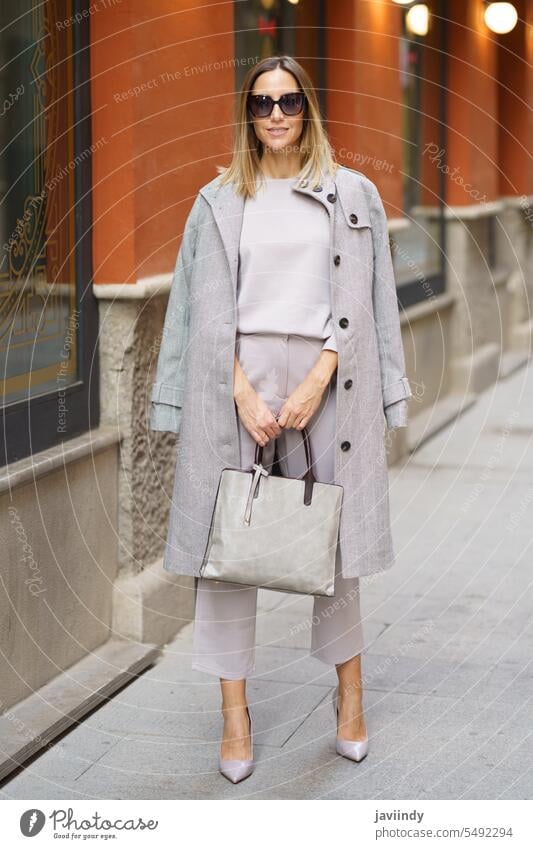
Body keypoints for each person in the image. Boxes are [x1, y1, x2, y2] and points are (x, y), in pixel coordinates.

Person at [150, 55, 412, 784]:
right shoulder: (216, 201)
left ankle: (349, 700)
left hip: (331, 375)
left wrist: (320, 375)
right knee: (225, 549)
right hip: (237, 374)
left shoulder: (350, 191)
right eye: (261, 103)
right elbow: (193, 310)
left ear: (308, 109)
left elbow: (371, 297)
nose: (274, 115)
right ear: (247, 113)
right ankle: (234, 716)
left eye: (288, 102)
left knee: (334, 543)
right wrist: (237, 388)